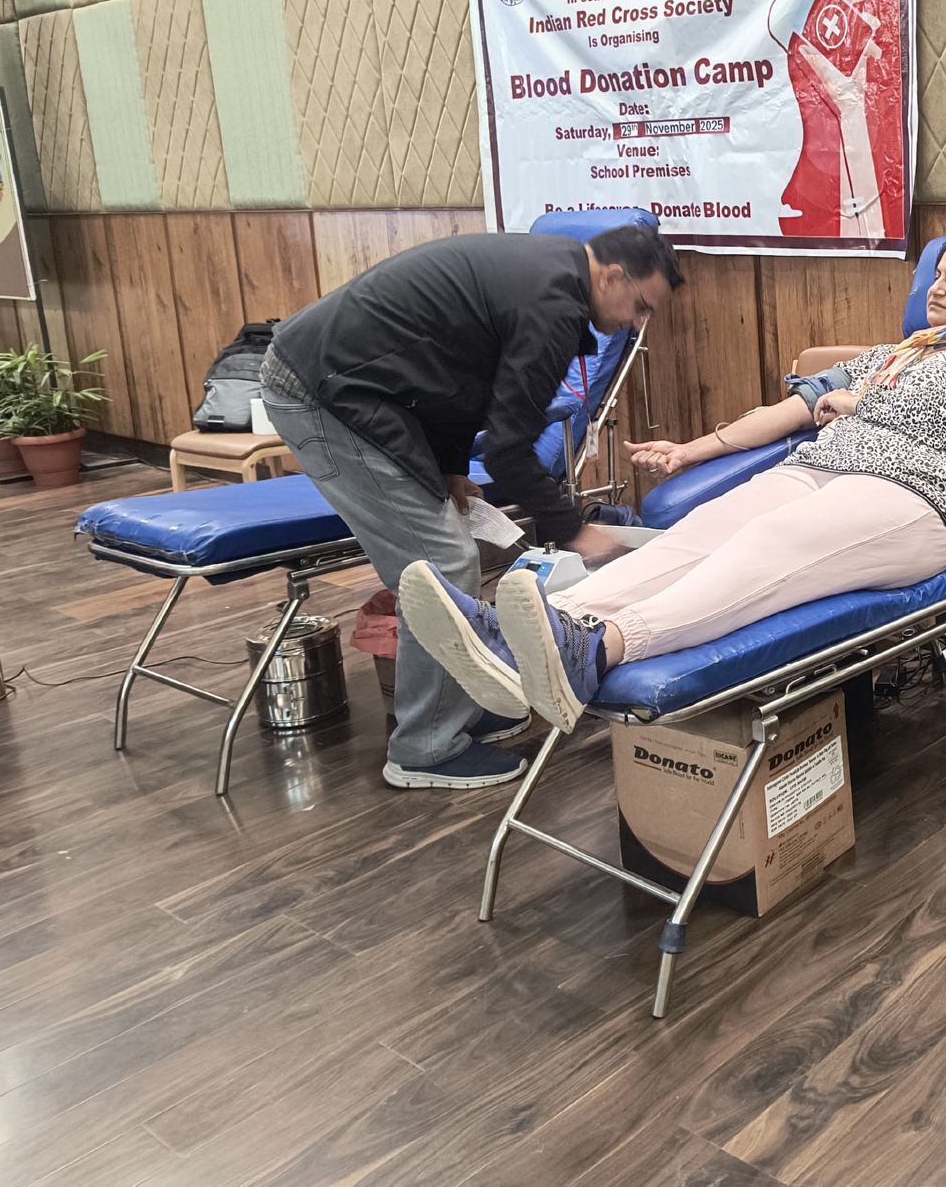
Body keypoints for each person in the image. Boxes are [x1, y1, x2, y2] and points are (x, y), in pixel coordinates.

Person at [400, 238, 946, 732]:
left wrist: (858, 403)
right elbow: (792, 410)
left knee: (773, 538)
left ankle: (601, 649)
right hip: (823, 469)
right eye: (936, 275)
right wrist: (689, 451)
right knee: (701, 530)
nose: (936, 288)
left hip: (918, 499)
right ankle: (533, 632)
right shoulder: (895, 353)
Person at [259, 225, 683, 790]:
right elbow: (508, 450)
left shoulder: (549, 271)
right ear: (610, 276)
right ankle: (425, 748)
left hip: (355, 383)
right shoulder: (553, 305)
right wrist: (573, 530)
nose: (635, 323)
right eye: (640, 306)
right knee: (440, 563)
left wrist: (449, 468)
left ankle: (451, 709)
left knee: (446, 553)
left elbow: (460, 379)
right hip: (324, 390)